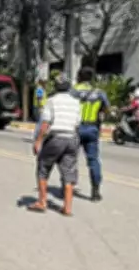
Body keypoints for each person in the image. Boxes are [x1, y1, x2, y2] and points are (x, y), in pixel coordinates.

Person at [30, 73, 82, 216]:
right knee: (68, 173)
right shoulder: (76, 102)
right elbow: (77, 122)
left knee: (43, 168)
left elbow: (46, 122)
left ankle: (42, 202)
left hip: (55, 138)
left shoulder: (51, 101)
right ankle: (67, 207)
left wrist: (38, 141)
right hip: (71, 138)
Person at [71, 67, 110, 202]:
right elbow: (106, 109)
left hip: (75, 128)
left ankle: (69, 187)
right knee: (93, 160)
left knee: (70, 159)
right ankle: (95, 191)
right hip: (92, 128)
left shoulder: (73, 91)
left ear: (79, 77)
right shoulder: (99, 93)